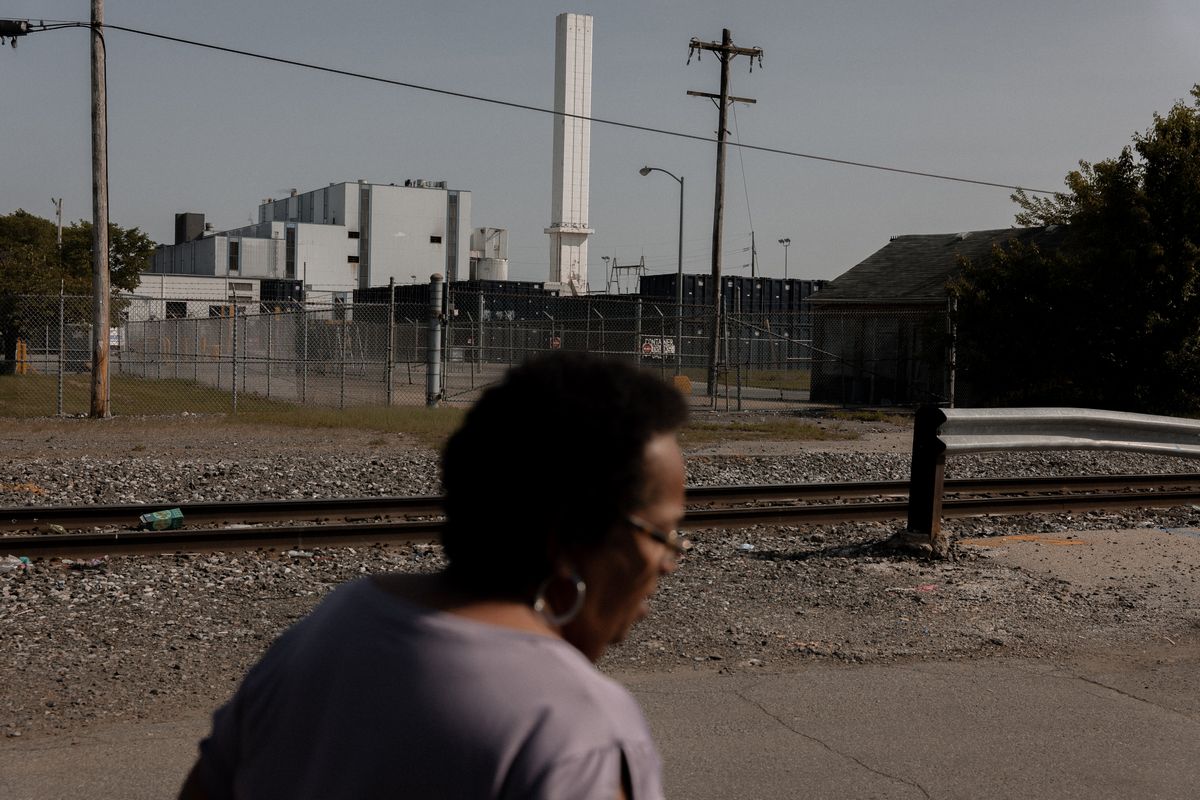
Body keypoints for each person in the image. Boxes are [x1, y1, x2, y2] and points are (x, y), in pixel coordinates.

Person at [179, 352, 689, 799]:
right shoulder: (577, 728)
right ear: (571, 540)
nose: (670, 559)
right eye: (662, 533)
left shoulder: (330, 627)